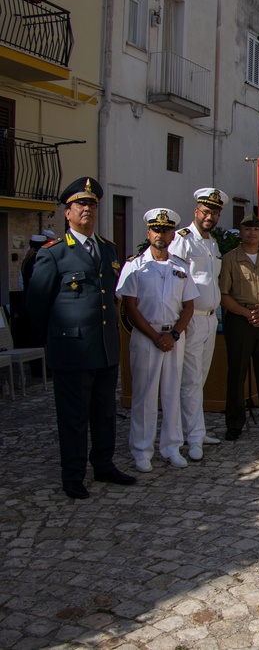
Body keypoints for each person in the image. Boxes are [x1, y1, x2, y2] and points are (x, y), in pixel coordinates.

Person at [27, 177, 136, 499]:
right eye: (80, 204)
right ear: (67, 212)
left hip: (104, 347)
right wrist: (55, 341)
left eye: (91, 204)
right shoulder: (55, 253)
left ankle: (103, 464)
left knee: (104, 412)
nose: (87, 209)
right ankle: (72, 474)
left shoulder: (108, 248)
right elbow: (36, 304)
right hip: (72, 349)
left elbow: (110, 296)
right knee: (73, 418)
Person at [116, 209, 199, 472]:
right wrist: (155, 336)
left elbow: (188, 306)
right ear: (148, 233)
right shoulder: (135, 266)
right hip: (145, 336)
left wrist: (173, 334)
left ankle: (172, 447)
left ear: (173, 234)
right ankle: (142, 450)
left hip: (174, 337)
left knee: (172, 393)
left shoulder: (180, 266)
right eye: (156, 230)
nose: (160, 235)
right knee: (144, 396)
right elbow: (129, 307)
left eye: (165, 230)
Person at [168, 188, 226, 460]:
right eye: (206, 211)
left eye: (214, 212)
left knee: (199, 379)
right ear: (196, 212)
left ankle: (196, 430)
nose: (209, 216)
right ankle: (191, 438)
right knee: (190, 381)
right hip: (191, 319)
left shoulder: (212, 243)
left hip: (210, 318)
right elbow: (176, 278)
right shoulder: (184, 239)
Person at [218, 213, 259, 440]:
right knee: (237, 372)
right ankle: (235, 423)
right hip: (239, 319)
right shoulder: (229, 259)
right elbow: (224, 295)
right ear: (241, 232)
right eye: (247, 229)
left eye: (256, 230)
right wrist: (247, 313)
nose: (252, 233)